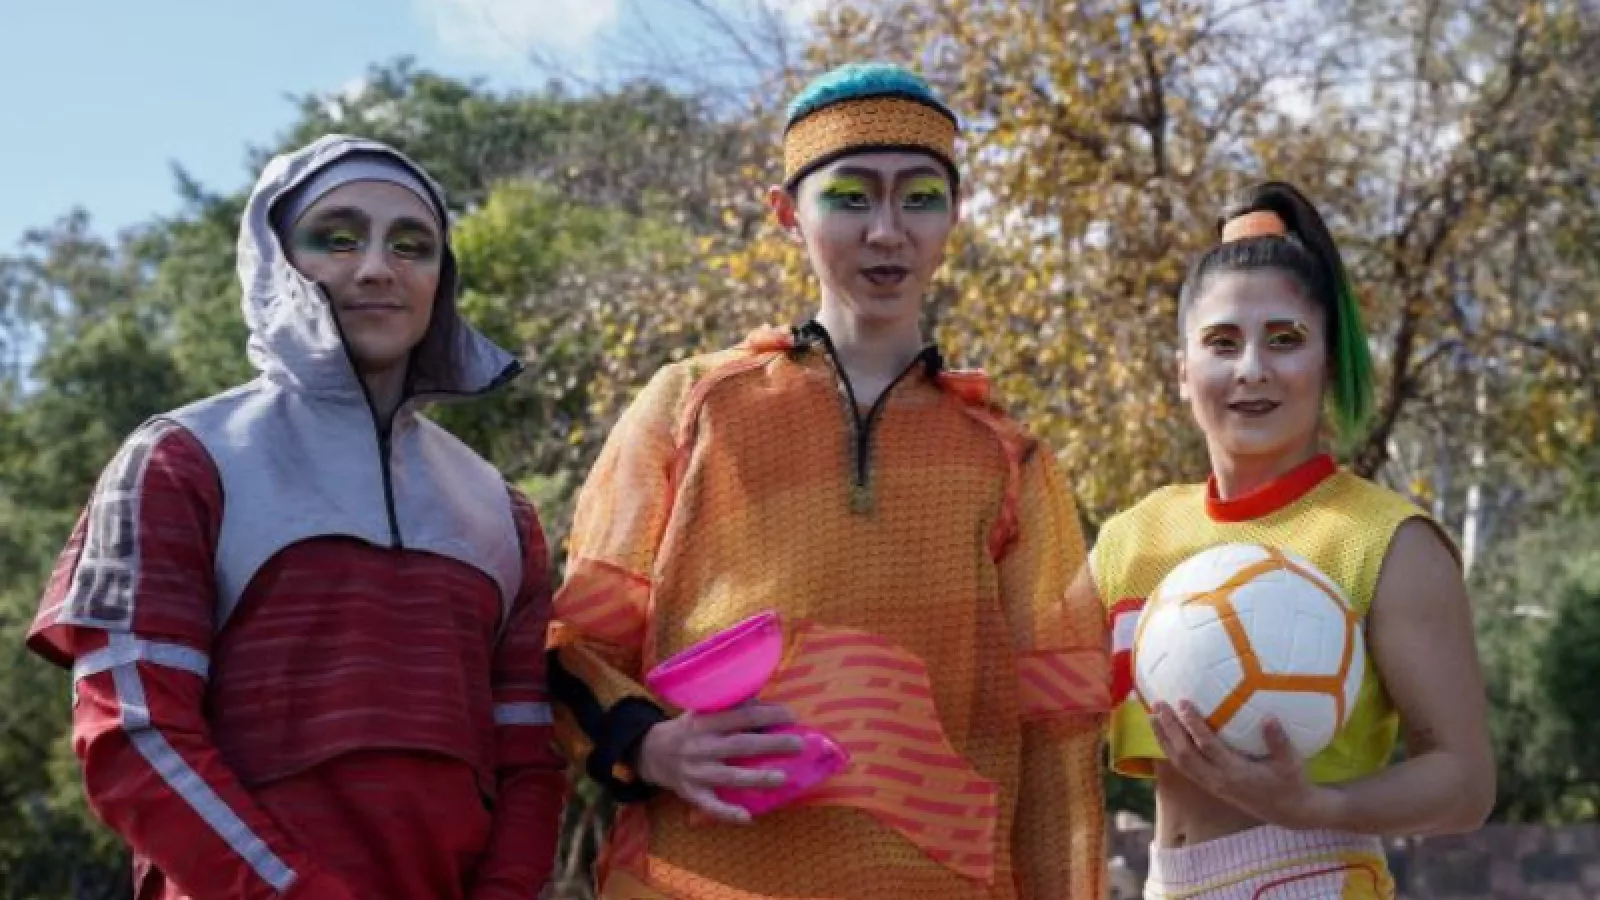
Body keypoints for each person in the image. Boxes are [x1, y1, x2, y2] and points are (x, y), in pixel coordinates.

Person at [546, 63, 1109, 899]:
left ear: (955, 214)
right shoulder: (693, 405)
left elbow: (1056, 728)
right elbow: (577, 643)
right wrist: (651, 745)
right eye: (850, 196)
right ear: (786, 212)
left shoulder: (1008, 458)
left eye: (920, 198)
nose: (887, 231)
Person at [26, 135, 565, 900]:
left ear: (440, 278)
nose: (377, 267)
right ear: (275, 258)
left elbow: (529, 760)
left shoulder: (502, 512)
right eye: (337, 238)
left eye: (412, 245)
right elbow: (133, 735)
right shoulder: (180, 459)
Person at [1091, 182, 1495, 898]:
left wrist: (1318, 807)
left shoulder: (1387, 541)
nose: (1252, 368)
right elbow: (1022, 694)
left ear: (1328, 363)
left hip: (1318, 880)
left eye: (1285, 340)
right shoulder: (1134, 537)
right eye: (1222, 343)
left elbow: (1464, 782)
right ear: (1182, 372)